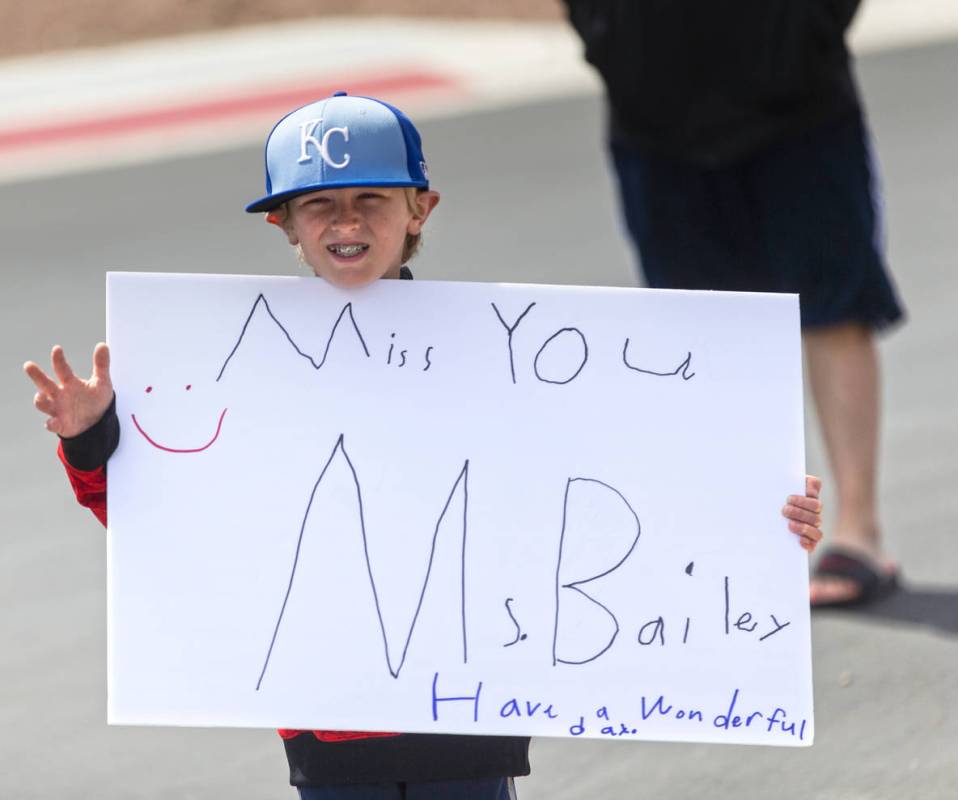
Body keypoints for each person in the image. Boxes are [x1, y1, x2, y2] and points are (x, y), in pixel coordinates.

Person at [24, 91, 824, 797]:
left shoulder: (500, 355)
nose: (346, 222)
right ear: (284, 226)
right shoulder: (243, 371)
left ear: (420, 211)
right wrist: (92, 440)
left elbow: (613, 479)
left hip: (475, 708)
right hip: (328, 719)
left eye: (372, 198)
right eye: (319, 205)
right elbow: (166, 524)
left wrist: (759, 519)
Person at [564, 0, 900, 608]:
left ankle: (859, 528)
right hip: (652, 111)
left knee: (835, 306)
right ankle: (739, 535)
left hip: (801, 100)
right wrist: (608, 38)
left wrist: (807, 30)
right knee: (698, 328)